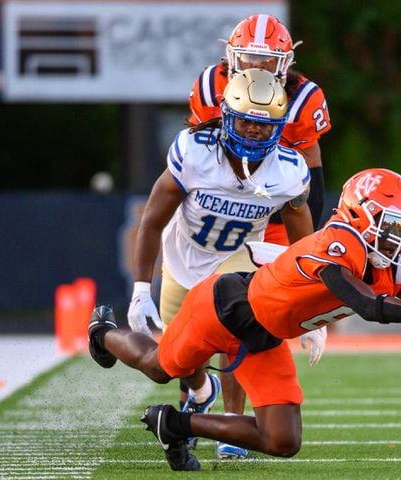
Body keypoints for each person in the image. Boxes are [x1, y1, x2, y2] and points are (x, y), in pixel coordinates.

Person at [89, 167, 401, 472]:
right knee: (160, 366)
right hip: (223, 309)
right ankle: (104, 333)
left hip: (265, 335)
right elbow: (370, 307)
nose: (399, 236)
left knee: (282, 440)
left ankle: (176, 425)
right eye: (391, 224)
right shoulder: (336, 244)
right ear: (360, 214)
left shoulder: (387, 258)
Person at [125, 67, 322, 452]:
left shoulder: (288, 171)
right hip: (184, 258)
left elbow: (304, 241)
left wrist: (311, 306)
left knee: (238, 330)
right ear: (227, 116)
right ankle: (201, 390)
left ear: (280, 126)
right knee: (177, 359)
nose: (254, 131)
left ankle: (232, 420)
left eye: (264, 125)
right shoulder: (195, 152)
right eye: (246, 121)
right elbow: (151, 221)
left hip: (239, 257)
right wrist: (140, 288)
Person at [187, 13, 332, 459]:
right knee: (195, 312)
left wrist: (306, 259)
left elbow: (312, 180)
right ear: (232, 57)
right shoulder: (212, 87)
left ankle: (232, 421)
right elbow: (195, 153)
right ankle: (196, 394)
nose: (258, 67)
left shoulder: (303, 98)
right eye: (250, 57)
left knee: (248, 315)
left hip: (274, 206)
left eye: (268, 60)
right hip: (221, 205)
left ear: (286, 64)